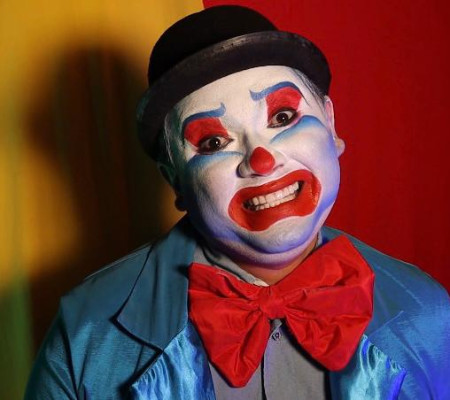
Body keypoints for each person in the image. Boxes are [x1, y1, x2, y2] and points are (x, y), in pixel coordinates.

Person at [25, 5, 449, 399]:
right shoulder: (85, 334)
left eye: (282, 117)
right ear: (174, 179)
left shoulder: (428, 314)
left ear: (331, 124)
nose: (262, 161)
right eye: (213, 142)